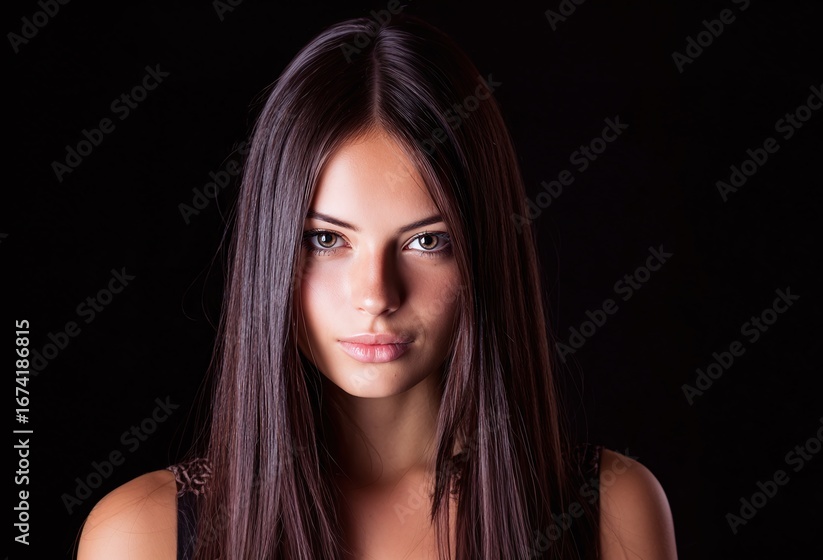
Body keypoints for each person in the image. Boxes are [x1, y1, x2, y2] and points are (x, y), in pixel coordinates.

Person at [76, 14, 677, 559]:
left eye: (427, 241)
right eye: (327, 240)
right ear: (271, 253)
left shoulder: (610, 515)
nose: (376, 295)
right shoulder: (140, 537)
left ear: (485, 255)